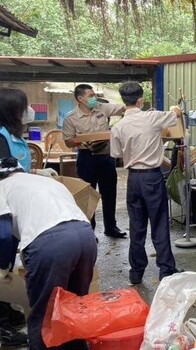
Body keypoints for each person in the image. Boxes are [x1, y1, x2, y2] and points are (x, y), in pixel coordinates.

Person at [0, 156, 97, 349]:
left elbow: (3, 234)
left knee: (43, 317)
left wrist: (3, 268)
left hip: (52, 245)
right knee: (73, 310)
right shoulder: (45, 181)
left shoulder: (2, 187)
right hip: (86, 237)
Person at [0, 88, 58, 347]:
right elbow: (6, 170)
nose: (28, 112)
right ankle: (2, 328)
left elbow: (22, 167)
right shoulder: (1, 137)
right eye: (24, 108)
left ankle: (5, 309)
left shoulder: (15, 135)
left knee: (8, 265)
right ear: (12, 111)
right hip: (3, 207)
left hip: (16, 208)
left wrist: (37, 173)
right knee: (0, 267)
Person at [110, 82, 183, 285]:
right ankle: (166, 270)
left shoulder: (118, 127)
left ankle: (136, 272)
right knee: (159, 223)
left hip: (133, 178)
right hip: (152, 177)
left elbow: (116, 154)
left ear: (124, 102)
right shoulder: (152, 117)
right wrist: (176, 108)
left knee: (137, 226)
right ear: (141, 100)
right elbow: (176, 114)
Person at [62, 84, 127, 239]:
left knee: (109, 194)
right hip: (86, 159)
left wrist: (132, 107)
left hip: (105, 157)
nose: (94, 98)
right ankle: (89, 230)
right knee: (87, 196)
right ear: (80, 99)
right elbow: (69, 141)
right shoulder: (71, 117)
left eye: (94, 95)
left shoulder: (102, 108)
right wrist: (83, 143)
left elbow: (123, 108)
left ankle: (111, 228)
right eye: (90, 96)